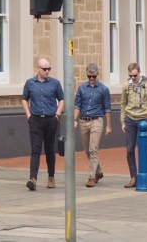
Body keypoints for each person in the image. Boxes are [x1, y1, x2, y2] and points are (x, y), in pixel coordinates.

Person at [21, 57, 65, 191]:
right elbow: (24, 99)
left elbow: (61, 99)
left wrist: (57, 115)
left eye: (49, 69)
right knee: (35, 149)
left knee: (50, 149)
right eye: (45, 69)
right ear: (38, 69)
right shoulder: (30, 83)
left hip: (51, 119)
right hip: (35, 120)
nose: (47, 71)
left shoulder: (55, 83)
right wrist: (28, 115)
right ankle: (32, 178)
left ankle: (51, 177)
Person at [120, 61, 147, 186]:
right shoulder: (126, 86)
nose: (133, 78)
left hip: (144, 119)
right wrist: (123, 121)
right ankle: (134, 177)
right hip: (130, 119)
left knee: (142, 147)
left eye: (135, 75)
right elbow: (123, 104)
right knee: (129, 149)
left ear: (139, 73)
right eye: (131, 76)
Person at [73, 62, 112, 186]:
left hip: (96, 120)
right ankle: (98, 170)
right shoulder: (82, 88)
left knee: (93, 148)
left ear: (97, 74)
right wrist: (74, 119)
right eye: (89, 76)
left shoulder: (103, 89)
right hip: (83, 120)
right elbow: (77, 105)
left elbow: (107, 108)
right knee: (87, 150)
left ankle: (91, 177)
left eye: (93, 76)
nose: (91, 79)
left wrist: (108, 126)